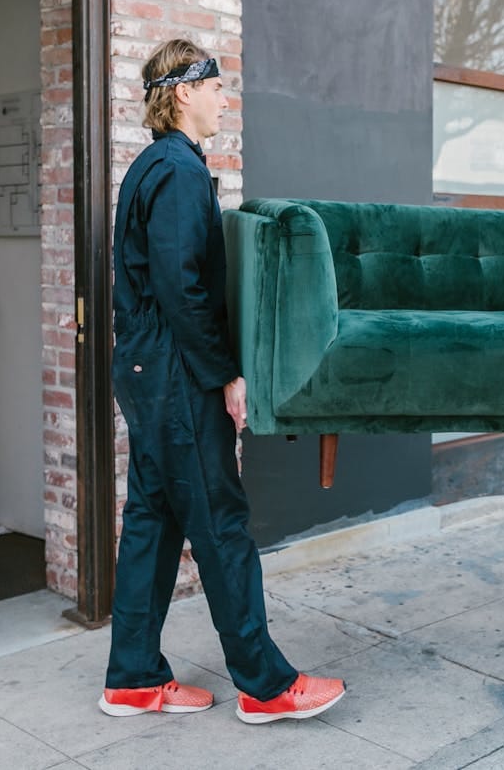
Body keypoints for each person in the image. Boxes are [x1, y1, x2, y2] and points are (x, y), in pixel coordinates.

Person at [100, 38, 346, 723]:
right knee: (221, 521)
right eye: (214, 87)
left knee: (152, 520)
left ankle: (133, 678)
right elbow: (181, 289)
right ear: (183, 93)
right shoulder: (178, 171)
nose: (222, 99)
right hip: (175, 375)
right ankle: (266, 685)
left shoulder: (151, 166)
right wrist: (225, 374)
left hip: (146, 370)